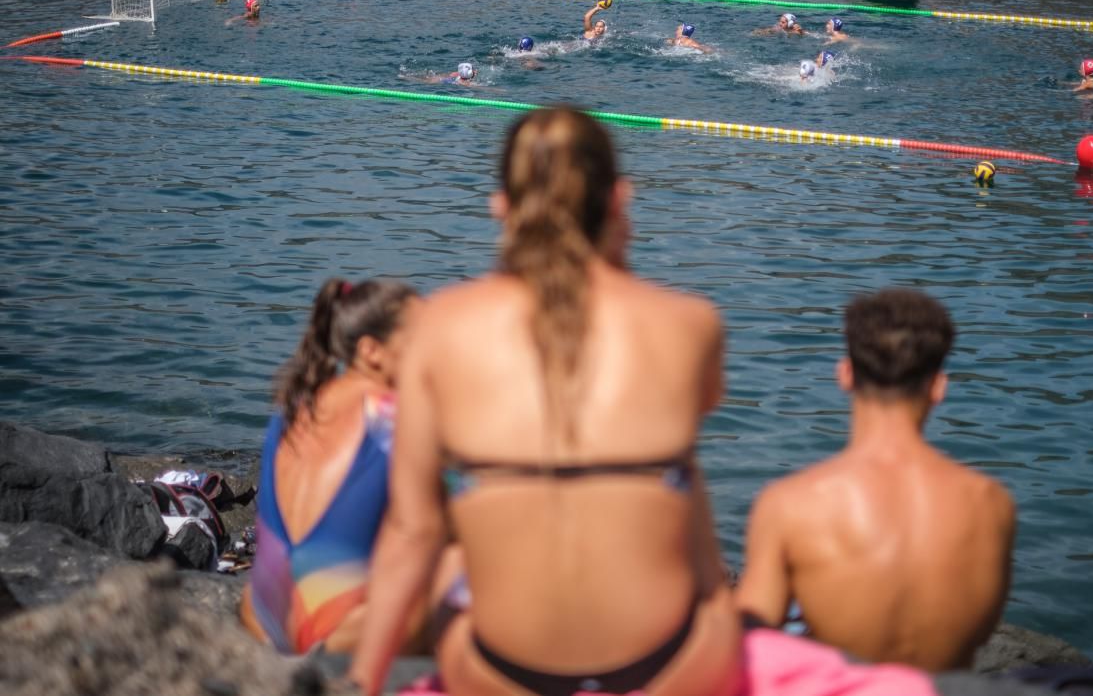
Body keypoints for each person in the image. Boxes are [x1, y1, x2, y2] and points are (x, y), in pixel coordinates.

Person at [351, 106, 742, 696]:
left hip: (498, 673)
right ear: (620, 198)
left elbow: (412, 533)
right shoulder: (690, 323)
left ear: (501, 207)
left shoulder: (440, 328)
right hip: (672, 670)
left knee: (456, 554)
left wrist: (361, 680)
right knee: (674, 477)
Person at [736, 288, 1016, 672]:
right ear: (938, 387)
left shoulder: (791, 504)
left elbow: (752, 638)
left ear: (845, 374)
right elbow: (981, 628)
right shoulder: (990, 503)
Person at [241, 277, 423, 654]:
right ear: (372, 351)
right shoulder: (394, 416)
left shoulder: (293, 407)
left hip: (262, 615)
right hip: (335, 634)